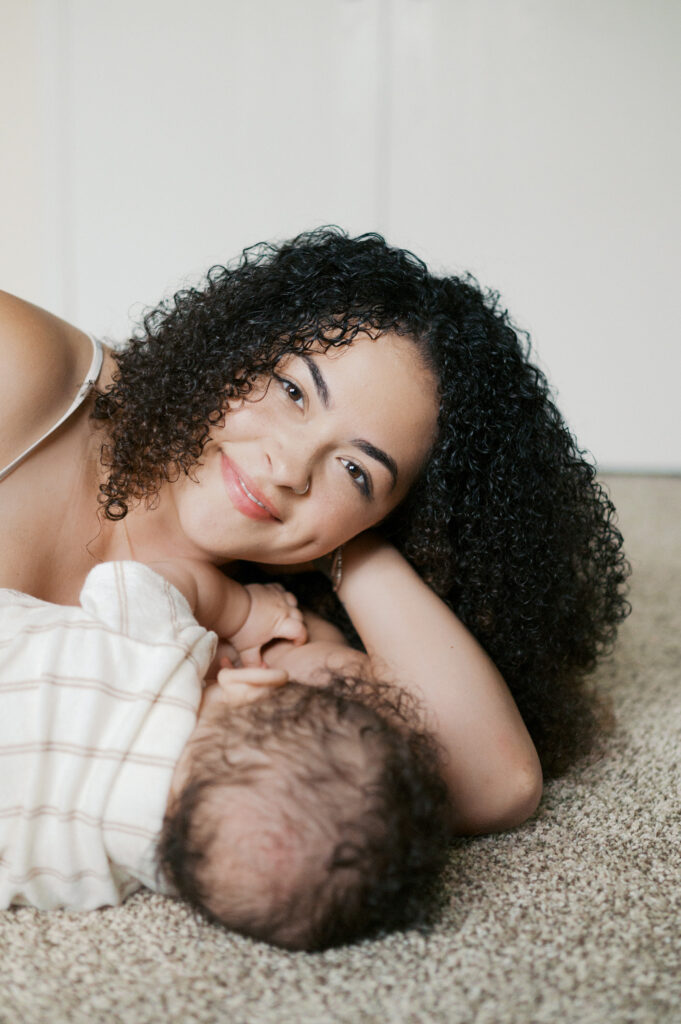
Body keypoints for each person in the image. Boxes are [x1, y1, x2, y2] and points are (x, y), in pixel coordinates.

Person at [0, 227, 630, 832]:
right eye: (294, 392)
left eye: (355, 470)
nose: (291, 468)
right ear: (236, 347)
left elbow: (496, 784)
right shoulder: (38, 379)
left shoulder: (266, 624)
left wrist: (350, 547)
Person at [0, 559, 451, 951]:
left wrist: (242, 609)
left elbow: (122, 580)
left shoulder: (162, 655)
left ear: (252, 683)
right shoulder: (89, 877)